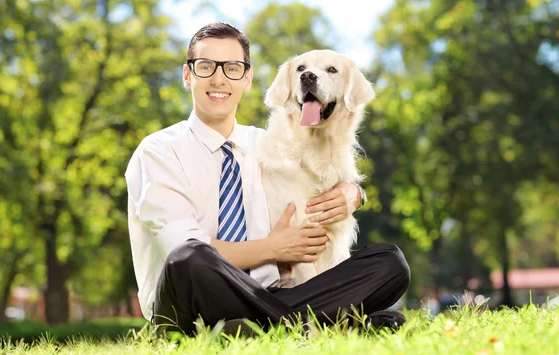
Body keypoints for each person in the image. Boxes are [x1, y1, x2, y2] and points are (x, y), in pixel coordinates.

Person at [125, 22, 410, 337]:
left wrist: (354, 193)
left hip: (269, 294)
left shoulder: (268, 146)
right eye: (206, 67)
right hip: (188, 306)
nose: (219, 78)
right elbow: (180, 246)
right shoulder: (157, 151)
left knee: (390, 261)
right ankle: (331, 321)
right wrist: (272, 249)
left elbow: (323, 174)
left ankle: (262, 327)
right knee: (189, 258)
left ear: (247, 79)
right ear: (187, 75)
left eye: (232, 68)